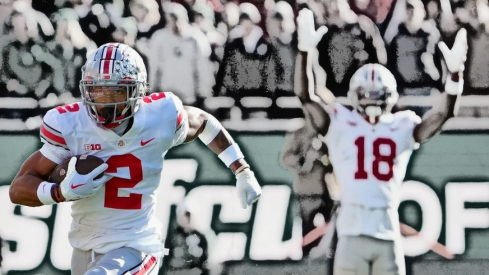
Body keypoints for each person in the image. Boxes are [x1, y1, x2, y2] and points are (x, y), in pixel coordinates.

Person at [9, 43, 262, 275]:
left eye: (115, 93)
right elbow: (19, 189)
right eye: (97, 92)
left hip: (136, 245)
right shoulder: (71, 126)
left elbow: (205, 123)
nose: (104, 103)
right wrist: (59, 192)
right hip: (85, 246)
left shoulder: (159, 117)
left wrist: (242, 169)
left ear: (137, 91)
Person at [294, 9, 467, 275]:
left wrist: (305, 52)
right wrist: (454, 78)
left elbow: (305, 96)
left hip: (355, 235)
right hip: (382, 235)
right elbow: (444, 114)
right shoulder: (401, 126)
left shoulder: (341, 122)